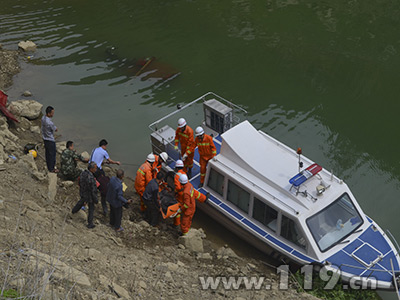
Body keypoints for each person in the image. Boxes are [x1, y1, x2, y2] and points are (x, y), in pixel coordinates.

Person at [71, 162, 99, 229]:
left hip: (83, 191)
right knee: (91, 209)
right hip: (89, 194)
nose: (96, 169)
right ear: (91, 169)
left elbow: (79, 182)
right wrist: (95, 199)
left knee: (81, 202)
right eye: (95, 168)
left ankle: (74, 210)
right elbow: (93, 190)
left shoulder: (83, 173)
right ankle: (90, 223)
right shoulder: (91, 178)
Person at [41, 106, 58, 172]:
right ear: (48, 113)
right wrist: (56, 128)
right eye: (52, 113)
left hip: (45, 138)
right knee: (52, 155)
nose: (53, 114)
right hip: (50, 139)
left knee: (47, 154)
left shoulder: (43, 118)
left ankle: (49, 167)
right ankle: (52, 168)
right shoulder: (49, 122)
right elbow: (55, 129)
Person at [173, 160, 186, 226]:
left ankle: (176, 224)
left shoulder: (177, 176)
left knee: (177, 209)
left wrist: (175, 193)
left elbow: (177, 187)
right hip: (185, 193)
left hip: (180, 195)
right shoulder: (184, 174)